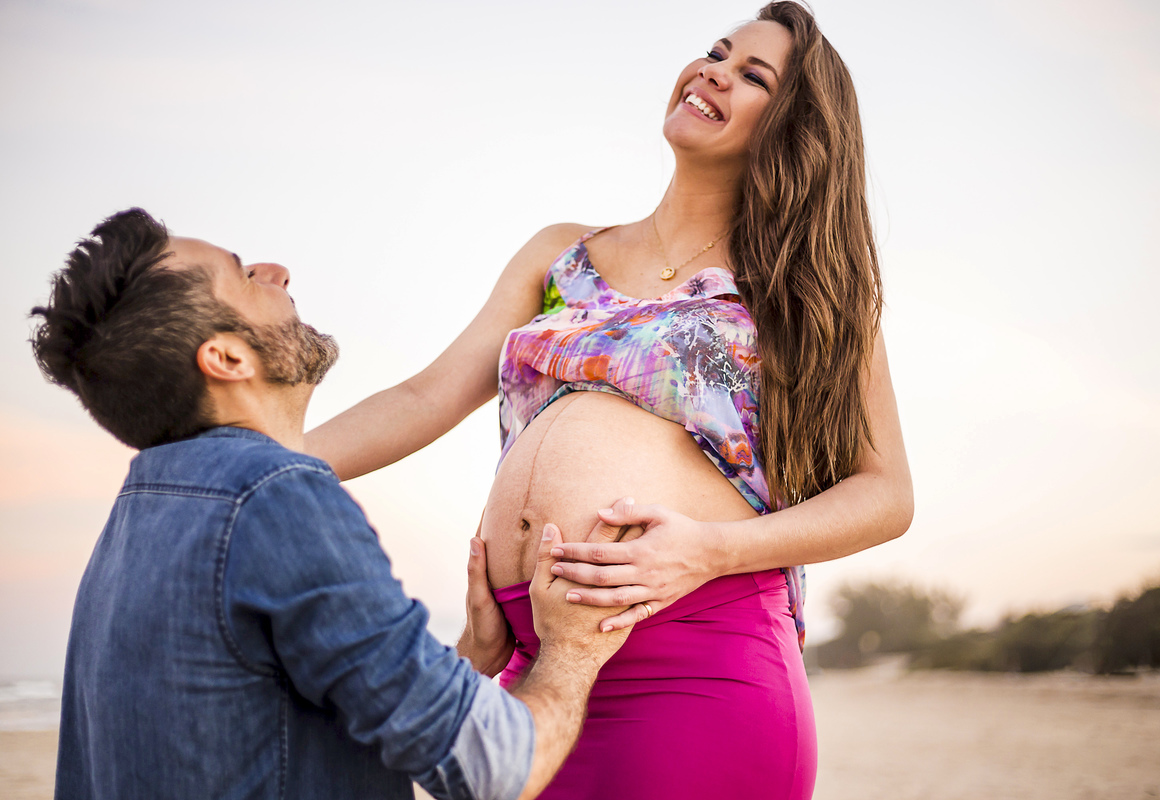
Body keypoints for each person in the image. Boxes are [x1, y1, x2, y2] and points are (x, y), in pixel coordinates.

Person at [307, 3, 913, 798]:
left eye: (752, 75)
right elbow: (425, 395)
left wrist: (708, 549)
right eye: (716, 52)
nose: (715, 71)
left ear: (793, 129)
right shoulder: (562, 253)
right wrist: (254, 470)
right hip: (534, 661)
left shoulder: (807, 293)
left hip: (700, 658)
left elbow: (885, 494)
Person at [29, 208, 631, 800]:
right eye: (243, 274)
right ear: (228, 359)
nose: (276, 270)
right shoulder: (277, 497)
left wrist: (466, 661)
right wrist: (572, 648)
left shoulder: (139, 510)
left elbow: (270, 719)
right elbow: (497, 768)